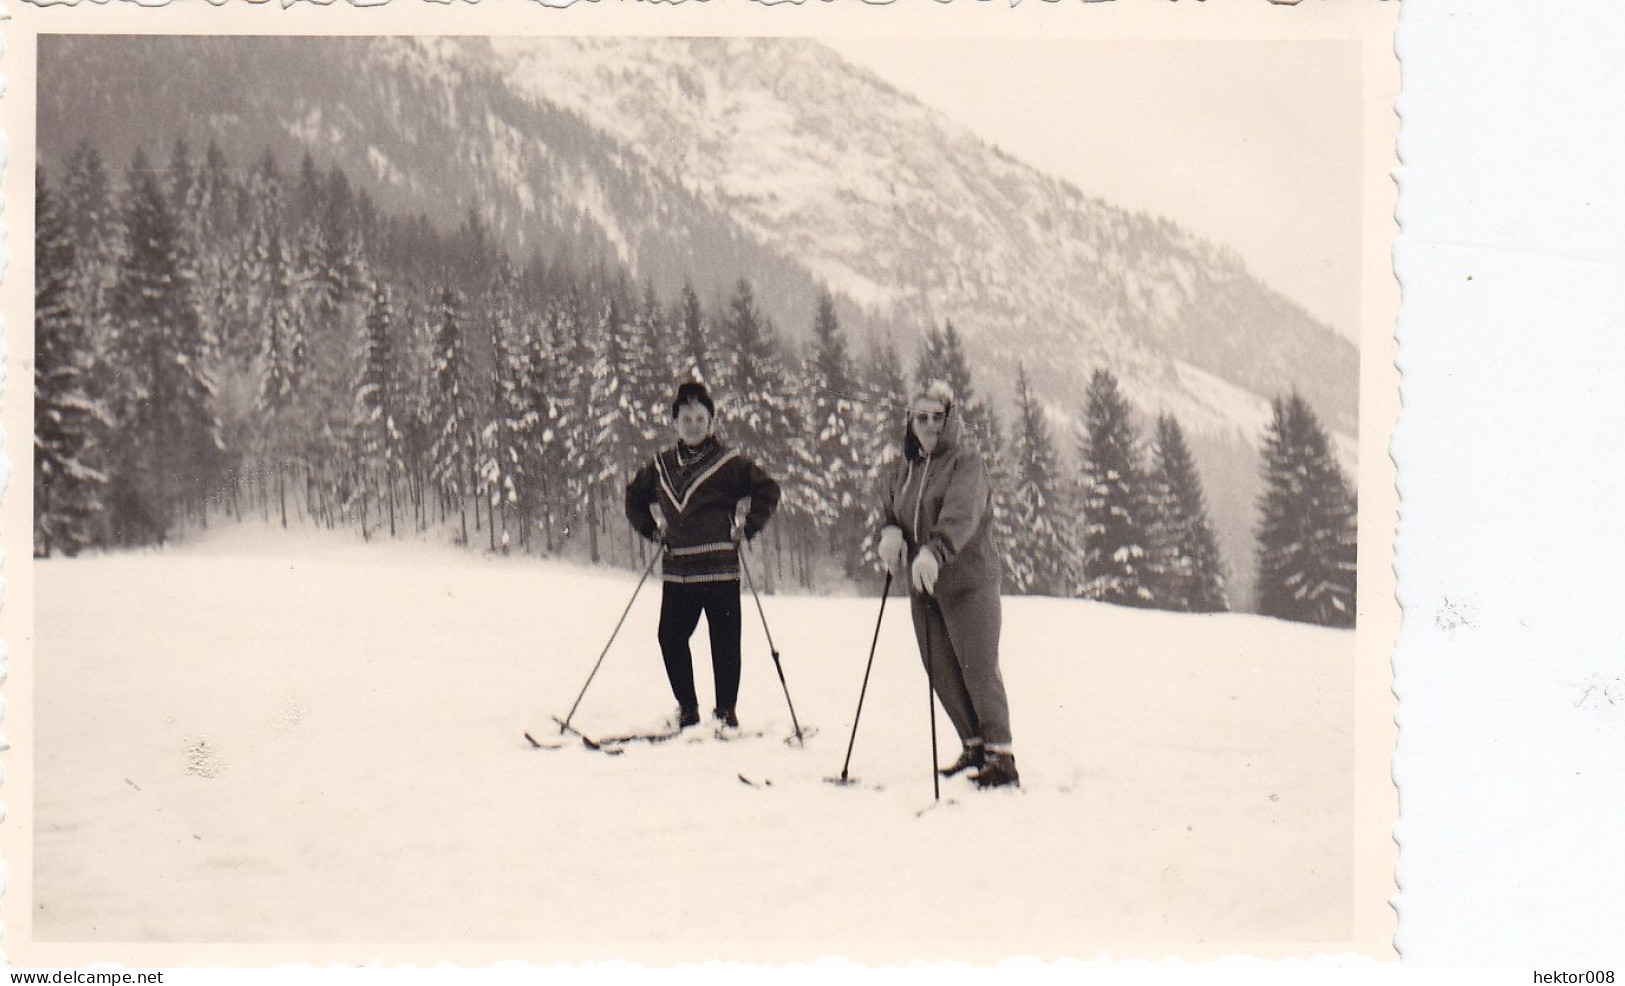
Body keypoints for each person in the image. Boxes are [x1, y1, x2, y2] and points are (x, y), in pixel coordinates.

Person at [875, 380, 1019, 788]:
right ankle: (973, 746)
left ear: (949, 418)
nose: (928, 426)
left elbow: (960, 515)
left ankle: (1001, 755)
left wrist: (933, 552)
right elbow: (888, 507)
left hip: (967, 579)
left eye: (936, 418)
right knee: (939, 667)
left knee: (978, 667)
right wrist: (890, 532)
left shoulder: (965, 463)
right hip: (923, 584)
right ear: (910, 421)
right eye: (920, 418)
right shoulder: (905, 470)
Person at [625, 381, 781, 732]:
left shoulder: (728, 463)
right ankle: (688, 710)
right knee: (670, 637)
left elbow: (768, 489)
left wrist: (748, 527)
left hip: (721, 571)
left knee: (724, 643)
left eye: (700, 418)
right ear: (675, 423)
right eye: (686, 418)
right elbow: (634, 497)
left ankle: (726, 714)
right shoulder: (661, 465)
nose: (693, 425)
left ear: (711, 422)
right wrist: (653, 530)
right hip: (678, 571)